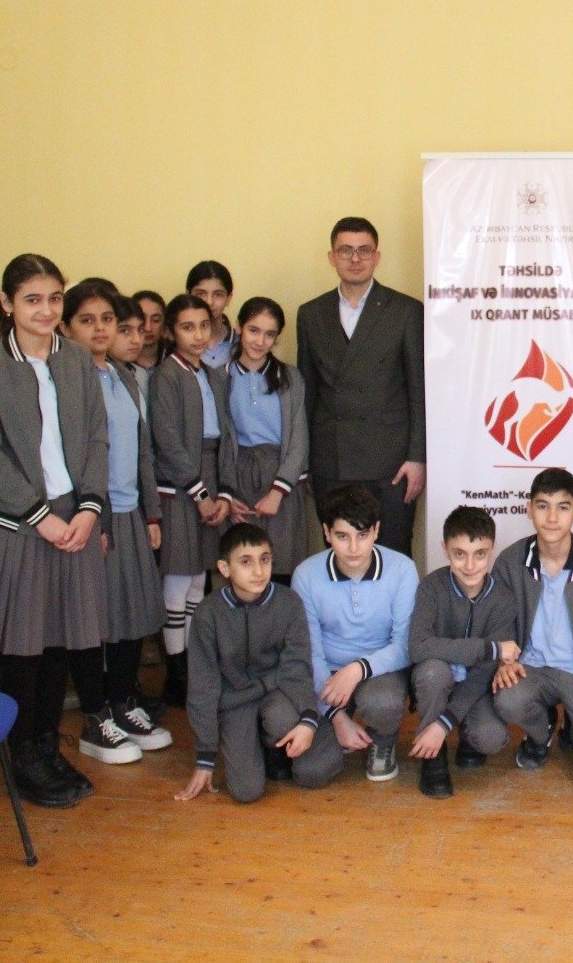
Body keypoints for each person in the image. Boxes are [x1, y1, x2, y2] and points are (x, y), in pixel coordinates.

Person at [0, 254, 114, 808]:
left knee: (59, 644)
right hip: (21, 526)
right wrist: (40, 517)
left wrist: (89, 509)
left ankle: (47, 743)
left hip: (74, 520)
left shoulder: (76, 360)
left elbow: (97, 438)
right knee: (23, 650)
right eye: (32, 300)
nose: (46, 310)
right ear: (7, 303)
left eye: (54, 298)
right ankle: (23, 751)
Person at [61, 282, 172, 755]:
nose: (101, 329)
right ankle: (95, 716)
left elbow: (142, 450)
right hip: (93, 517)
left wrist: (151, 512)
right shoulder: (67, 378)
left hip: (131, 512)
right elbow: (76, 460)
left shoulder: (123, 375)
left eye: (108, 319)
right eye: (87, 320)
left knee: (132, 615)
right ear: (67, 327)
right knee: (92, 621)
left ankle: (125, 702)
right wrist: (99, 520)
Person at [491, 468, 573, 796]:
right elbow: (499, 623)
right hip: (531, 669)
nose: (552, 518)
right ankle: (542, 730)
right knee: (508, 698)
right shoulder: (510, 561)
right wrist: (505, 661)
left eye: (563, 507)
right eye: (543, 506)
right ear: (529, 509)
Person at [296, 217, 425, 557]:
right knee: (340, 556)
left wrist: (417, 457)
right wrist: (304, 461)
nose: (355, 258)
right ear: (332, 257)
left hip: (391, 462)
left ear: (376, 257)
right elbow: (307, 396)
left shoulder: (406, 311)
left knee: (392, 552)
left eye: (364, 250)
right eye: (346, 250)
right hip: (332, 459)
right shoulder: (311, 314)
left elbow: (419, 392)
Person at [176, 523, 322, 803]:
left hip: (277, 692)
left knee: (316, 768)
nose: (258, 571)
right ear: (224, 568)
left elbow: (297, 666)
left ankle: (273, 747)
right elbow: (203, 686)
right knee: (246, 792)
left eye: (264, 559)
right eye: (246, 562)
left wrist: (308, 717)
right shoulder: (208, 613)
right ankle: (247, 743)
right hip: (235, 702)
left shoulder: (289, 602)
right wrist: (205, 756)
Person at [290, 484, 418, 785]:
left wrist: (358, 669)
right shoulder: (306, 575)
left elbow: (405, 645)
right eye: (342, 536)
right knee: (310, 773)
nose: (354, 548)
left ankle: (382, 743)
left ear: (376, 531)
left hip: (380, 667)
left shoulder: (402, 569)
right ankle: (341, 727)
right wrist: (336, 717)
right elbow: (309, 651)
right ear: (326, 532)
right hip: (326, 674)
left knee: (383, 702)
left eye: (362, 535)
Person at [150, 293, 239, 707]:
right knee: (177, 579)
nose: (198, 335)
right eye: (187, 327)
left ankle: (193, 665)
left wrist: (223, 492)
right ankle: (176, 672)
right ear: (172, 332)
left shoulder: (215, 375)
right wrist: (200, 492)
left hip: (210, 477)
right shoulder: (166, 376)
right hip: (181, 488)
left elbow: (226, 436)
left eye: (204, 326)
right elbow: (167, 440)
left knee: (198, 582)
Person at [408, 505, 519, 798]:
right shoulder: (431, 587)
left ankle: (463, 733)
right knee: (433, 671)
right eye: (459, 554)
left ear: (492, 549)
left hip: (476, 686)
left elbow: (485, 672)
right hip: (438, 677)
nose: (470, 565)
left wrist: (444, 723)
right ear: (445, 549)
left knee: (492, 738)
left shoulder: (504, 599)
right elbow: (418, 646)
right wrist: (488, 648)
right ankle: (433, 757)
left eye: (480, 554)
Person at [227, 297, 309, 585]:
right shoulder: (221, 376)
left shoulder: (289, 377)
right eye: (253, 330)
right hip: (238, 475)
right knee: (243, 564)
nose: (260, 341)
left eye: (269, 334)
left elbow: (299, 439)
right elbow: (220, 440)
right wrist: (227, 494)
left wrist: (277, 492)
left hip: (281, 478)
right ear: (239, 327)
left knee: (282, 564)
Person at [186, 261, 236, 369]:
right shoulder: (179, 344)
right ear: (188, 296)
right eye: (200, 294)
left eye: (218, 294)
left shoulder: (242, 344)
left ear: (228, 298)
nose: (209, 302)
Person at [130, 288, 167, 395]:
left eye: (155, 320)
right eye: (142, 319)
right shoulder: (121, 362)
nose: (148, 327)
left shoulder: (173, 358)